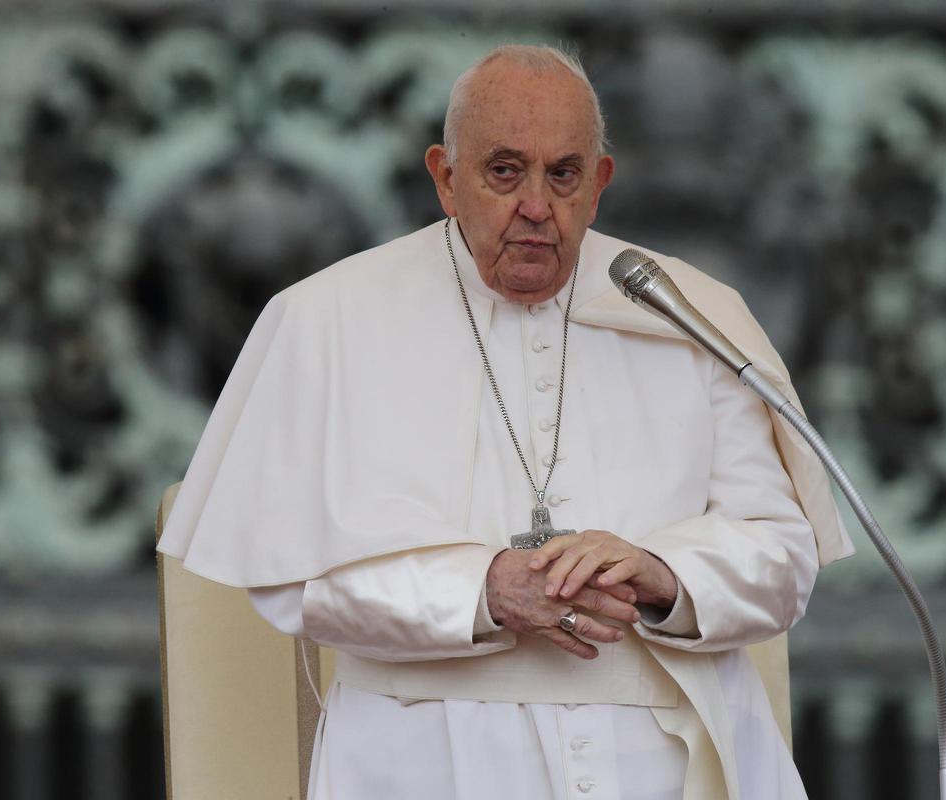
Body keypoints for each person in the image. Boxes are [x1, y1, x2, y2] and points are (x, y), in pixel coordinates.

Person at [158, 44, 853, 799]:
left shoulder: (689, 314)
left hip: (666, 758)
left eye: (563, 175)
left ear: (599, 185)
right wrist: (482, 589)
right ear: (446, 178)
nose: (535, 205)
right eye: (503, 171)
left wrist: (665, 576)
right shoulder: (328, 319)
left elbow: (781, 560)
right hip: (427, 757)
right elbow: (294, 583)